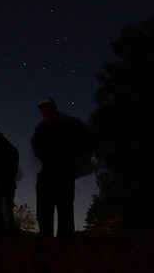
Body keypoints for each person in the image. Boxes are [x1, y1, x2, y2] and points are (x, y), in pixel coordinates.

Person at [31, 98, 92, 238]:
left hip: (65, 171)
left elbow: (87, 137)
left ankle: (65, 240)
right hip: (47, 171)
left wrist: (71, 155)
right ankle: (46, 239)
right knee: (44, 209)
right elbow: (37, 148)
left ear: (54, 107)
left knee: (65, 208)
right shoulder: (40, 129)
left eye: (48, 107)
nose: (46, 111)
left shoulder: (70, 124)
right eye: (43, 108)